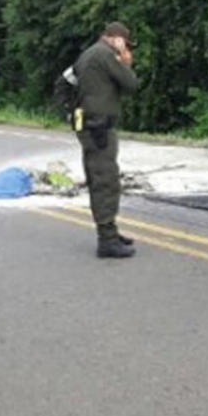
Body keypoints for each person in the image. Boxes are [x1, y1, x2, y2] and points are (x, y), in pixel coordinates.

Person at [71, 22, 140, 258]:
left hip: (89, 125)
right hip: (100, 127)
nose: (127, 49)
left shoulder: (87, 54)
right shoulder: (106, 55)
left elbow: (64, 83)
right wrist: (124, 58)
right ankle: (107, 239)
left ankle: (110, 231)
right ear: (116, 39)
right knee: (106, 180)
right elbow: (131, 84)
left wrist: (72, 113)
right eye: (125, 44)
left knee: (99, 176)